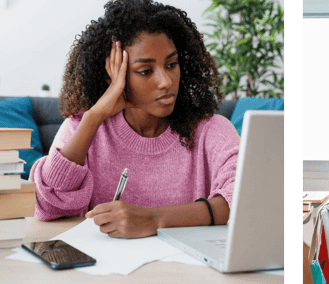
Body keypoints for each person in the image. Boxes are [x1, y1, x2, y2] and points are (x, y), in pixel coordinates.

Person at [29, 0, 239, 239]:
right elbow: (48, 207)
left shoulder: (211, 131)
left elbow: (247, 198)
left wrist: (154, 219)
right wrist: (94, 116)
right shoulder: (84, 128)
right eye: (146, 71)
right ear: (113, 76)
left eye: (171, 64)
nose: (166, 82)